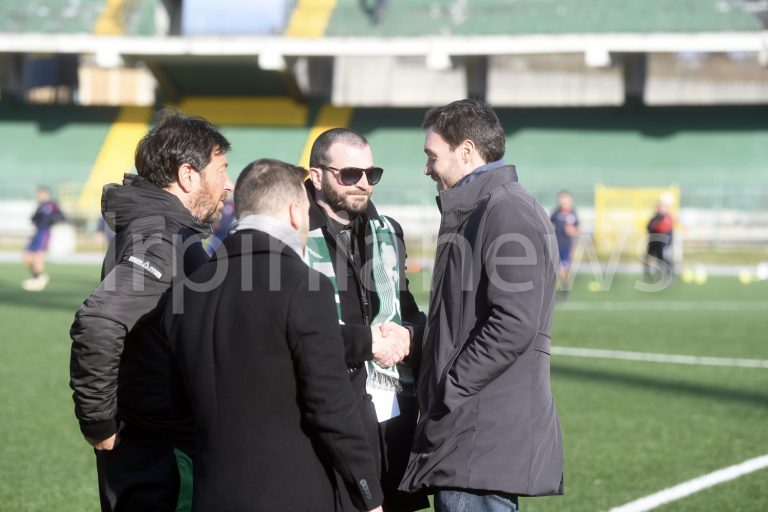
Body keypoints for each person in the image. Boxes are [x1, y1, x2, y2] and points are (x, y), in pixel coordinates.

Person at [165, 159, 384, 512]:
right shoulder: (305, 287)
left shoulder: (187, 290)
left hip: (210, 494)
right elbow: (330, 406)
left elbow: (177, 402)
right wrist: (369, 494)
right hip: (294, 495)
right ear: (296, 213)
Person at [399, 99, 564, 512]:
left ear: (467, 151)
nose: (427, 168)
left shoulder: (506, 210)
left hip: (479, 432)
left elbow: (514, 323)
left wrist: (450, 385)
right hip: (472, 430)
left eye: (431, 156)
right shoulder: (486, 207)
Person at [69, 111, 234, 511]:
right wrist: (99, 424)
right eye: (222, 170)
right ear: (188, 175)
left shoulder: (166, 229)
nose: (228, 185)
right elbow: (99, 320)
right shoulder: (159, 236)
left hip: (158, 447)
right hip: (160, 452)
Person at [305, 128, 428, 512]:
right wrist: (367, 341)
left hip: (392, 411)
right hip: (327, 410)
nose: (363, 184)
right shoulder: (292, 234)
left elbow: (406, 307)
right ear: (316, 176)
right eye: (349, 174)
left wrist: (409, 335)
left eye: (371, 174)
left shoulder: (388, 231)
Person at [22, 185, 65, 291]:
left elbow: (62, 217)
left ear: (46, 194)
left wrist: (53, 219)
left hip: (44, 232)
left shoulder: (52, 205)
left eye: (41, 194)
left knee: (38, 256)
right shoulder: (40, 206)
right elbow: (34, 218)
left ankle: (39, 279)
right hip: (37, 232)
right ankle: (39, 276)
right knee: (26, 257)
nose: (39, 196)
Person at [550, 190, 579, 301]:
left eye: (565, 198)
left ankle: (565, 290)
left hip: (566, 246)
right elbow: (549, 225)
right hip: (556, 244)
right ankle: (555, 292)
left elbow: (578, 230)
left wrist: (573, 231)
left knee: (564, 270)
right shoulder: (555, 213)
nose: (563, 201)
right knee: (555, 269)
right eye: (561, 198)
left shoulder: (573, 213)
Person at [645, 197, 674, 280]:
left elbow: (665, 229)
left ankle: (670, 275)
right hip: (654, 243)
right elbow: (649, 227)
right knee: (652, 258)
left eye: (662, 207)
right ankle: (653, 275)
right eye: (659, 207)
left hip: (664, 243)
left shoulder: (667, 218)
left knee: (665, 258)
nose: (660, 208)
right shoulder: (654, 218)